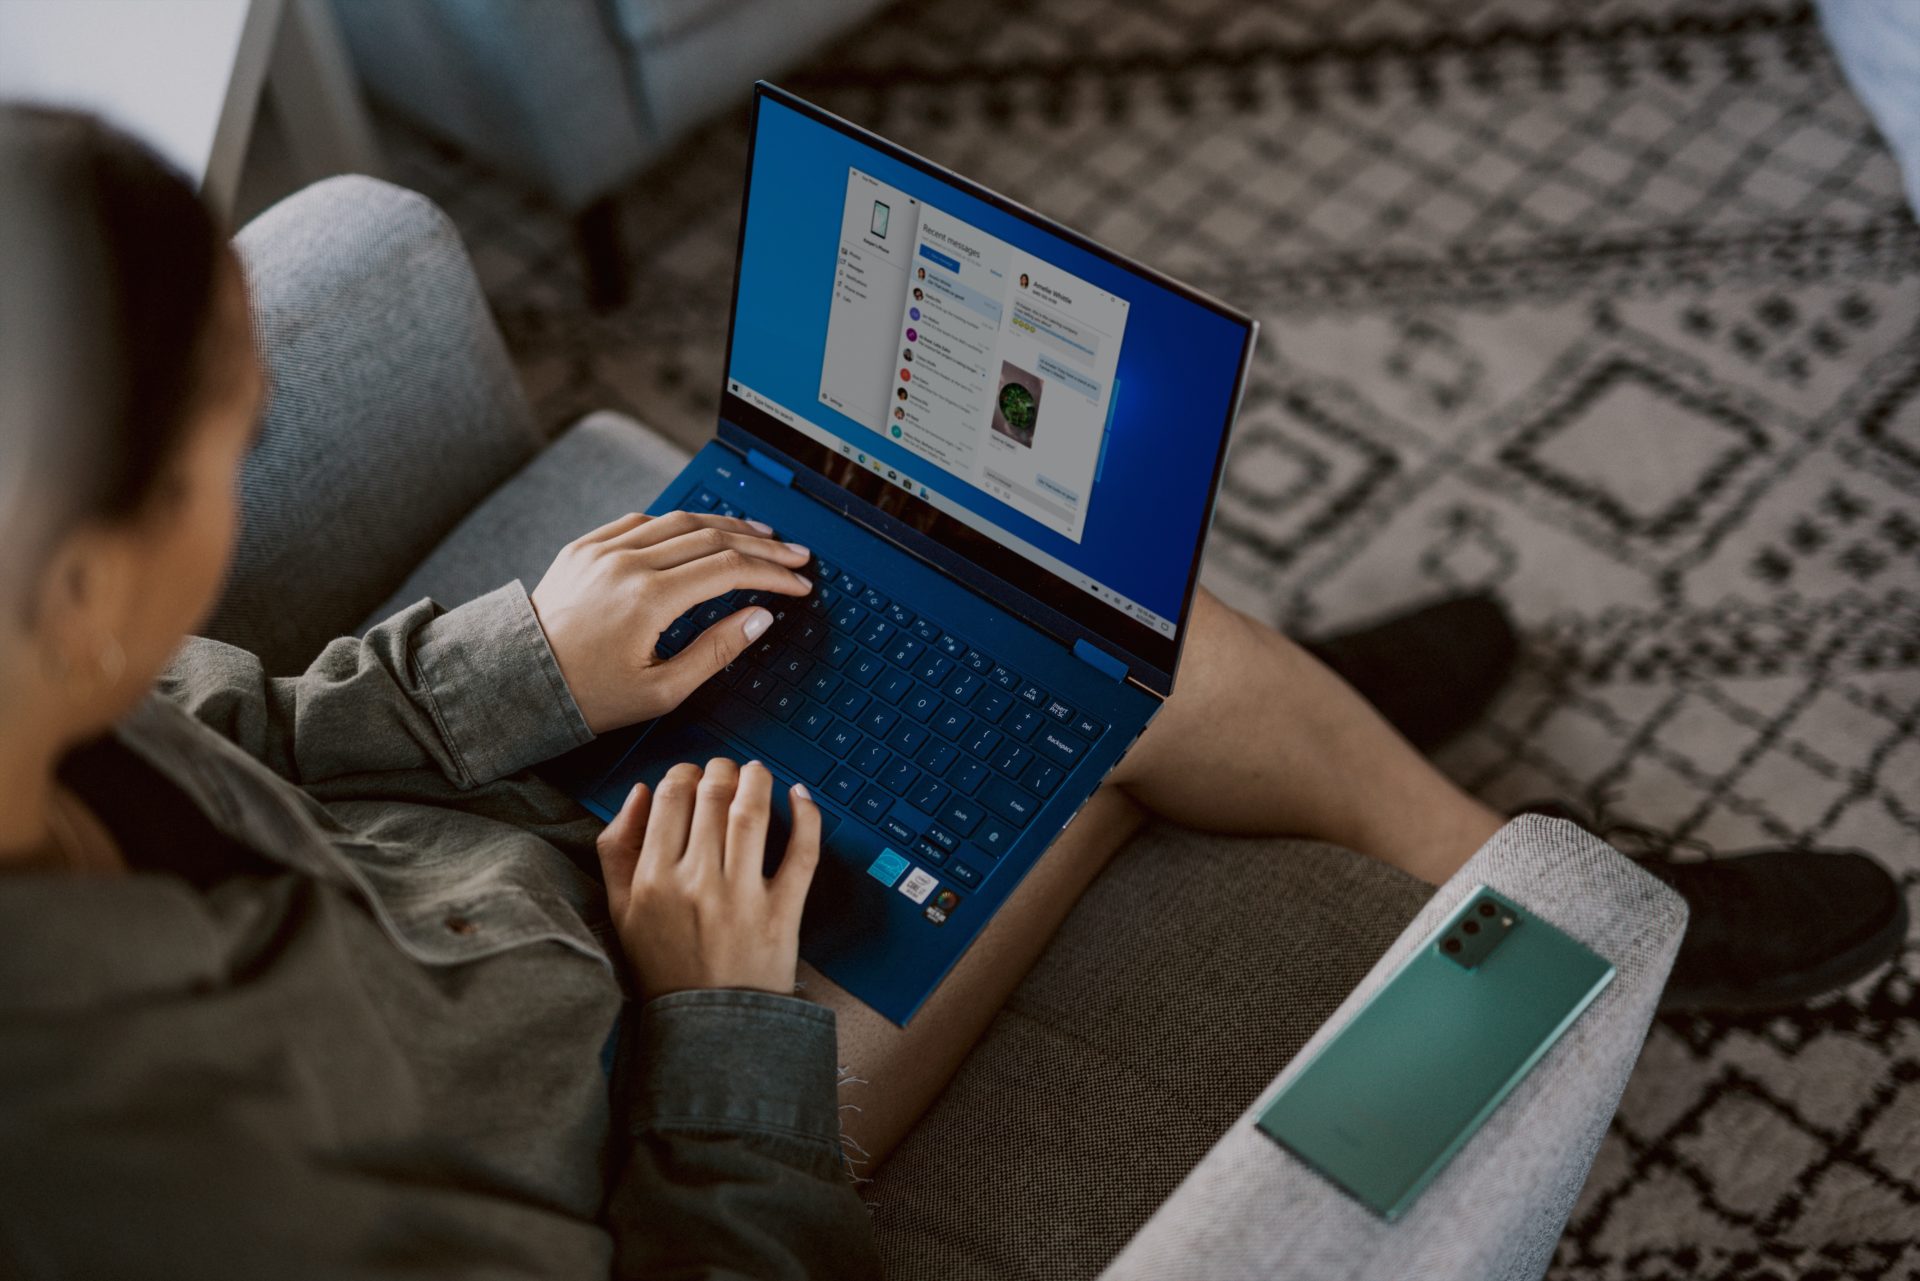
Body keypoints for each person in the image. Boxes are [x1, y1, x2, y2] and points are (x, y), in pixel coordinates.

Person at [1, 109, 1904, 1277]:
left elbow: (232, 720)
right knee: (1075, 687)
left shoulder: (39, 674)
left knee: (1008, 614)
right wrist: (721, 1026)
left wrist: (516, 660)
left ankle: (1353, 775)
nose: (247, 449)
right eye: (219, 442)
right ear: (85, 579)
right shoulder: (148, 1176)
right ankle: (1547, 904)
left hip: (527, 851)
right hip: (656, 1101)